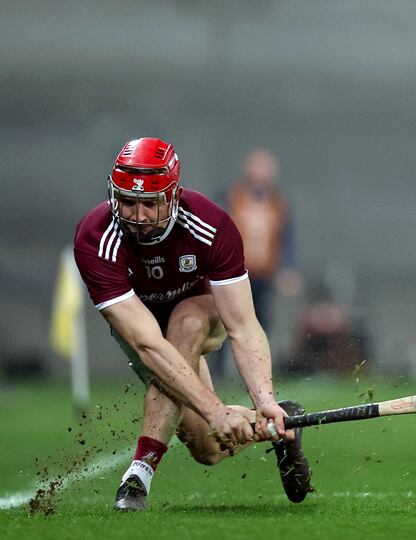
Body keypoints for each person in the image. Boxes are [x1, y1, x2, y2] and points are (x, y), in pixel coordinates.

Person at [73, 138, 312, 511]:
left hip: (202, 313)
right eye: (128, 201)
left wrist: (262, 398)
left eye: (150, 203)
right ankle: (281, 426)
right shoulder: (95, 238)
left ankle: (140, 471)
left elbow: (243, 327)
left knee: (184, 323)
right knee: (207, 448)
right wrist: (219, 413)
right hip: (146, 331)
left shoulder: (211, 224)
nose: (137, 215)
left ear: (173, 196)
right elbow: (148, 343)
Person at [226, 149, 302, 332]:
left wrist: (289, 268)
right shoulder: (233, 199)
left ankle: (259, 359)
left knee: (260, 321)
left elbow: (286, 238)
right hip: (233, 272)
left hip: (263, 273)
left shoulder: (277, 204)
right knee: (228, 320)